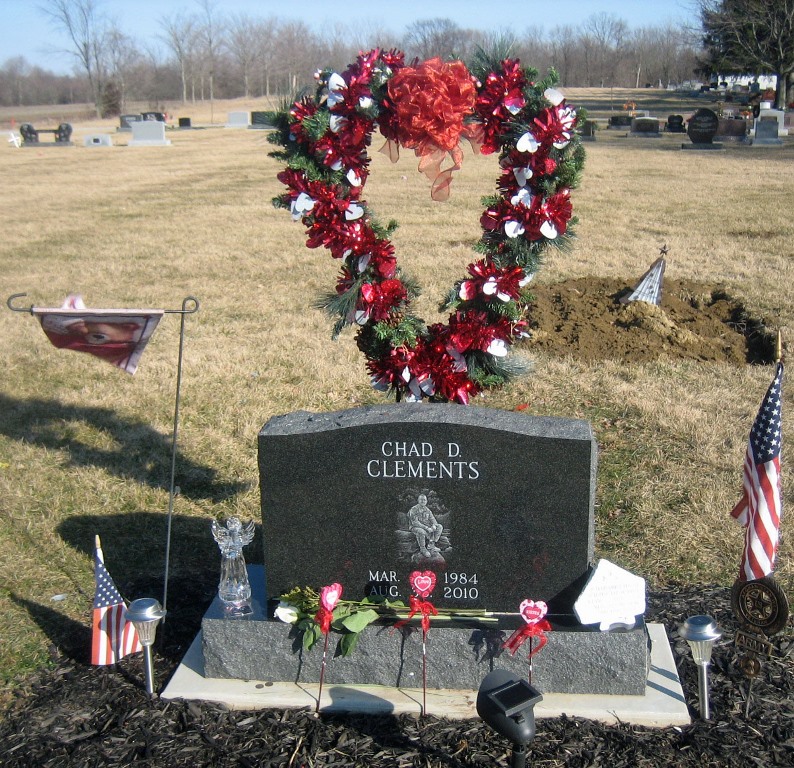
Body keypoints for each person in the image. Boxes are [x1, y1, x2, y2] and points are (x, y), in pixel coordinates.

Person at [408, 494, 443, 558]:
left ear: (426, 501)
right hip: (415, 527)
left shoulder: (427, 510)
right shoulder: (414, 509)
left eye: (424, 500)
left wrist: (434, 525)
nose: (423, 501)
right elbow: (415, 522)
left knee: (439, 527)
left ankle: (431, 545)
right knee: (421, 531)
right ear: (418, 500)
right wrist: (426, 528)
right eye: (421, 499)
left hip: (426, 527)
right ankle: (423, 549)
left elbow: (433, 519)